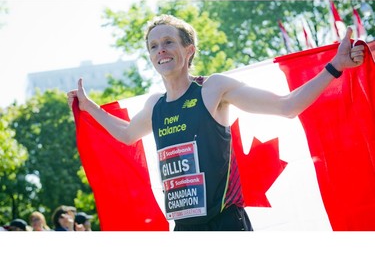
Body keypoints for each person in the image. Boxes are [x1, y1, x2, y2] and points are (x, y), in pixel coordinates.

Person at [67, 14, 365, 231]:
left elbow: (287, 106)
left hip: (225, 224)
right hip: (185, 229)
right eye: (154, 46)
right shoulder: (155, 105)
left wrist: (335, 67)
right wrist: (88, 107)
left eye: (169, 42)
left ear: (189, 49)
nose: (161, 50)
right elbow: (127, 133)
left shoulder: (213, 89)